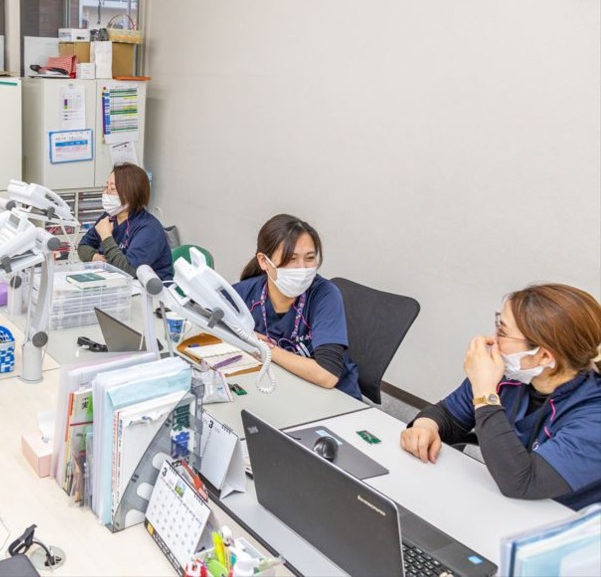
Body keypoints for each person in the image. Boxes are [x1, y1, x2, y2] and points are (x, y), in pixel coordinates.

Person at [400, 284, 601, 510]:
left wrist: (485, 393)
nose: (492, 340)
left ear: (544, 355)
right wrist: (426, 426)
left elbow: (523, 482)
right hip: (501, 504)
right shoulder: (509, 375)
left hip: (560, 524)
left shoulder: (594, 417)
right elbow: (448, 415)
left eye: (503, 333)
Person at [232, 214, 362, 399]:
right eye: (291, 258)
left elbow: (327, 375)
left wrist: (261, 347)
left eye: (309, 258)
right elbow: (206, 318)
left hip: (334, 398)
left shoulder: (325, 295)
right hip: (280, 387)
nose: (302, 268)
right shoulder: (247, 291)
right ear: (263, 261)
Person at [77, 164, 174, 280]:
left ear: (130, 193)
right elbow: (83, 246)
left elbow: (128, 271)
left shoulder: (148, 228)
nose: (106, 193)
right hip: (117, 284)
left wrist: (106, 236)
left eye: (112, 189)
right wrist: (95, 258)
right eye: (106, 186)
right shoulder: (110, 216)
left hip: (150, 292)